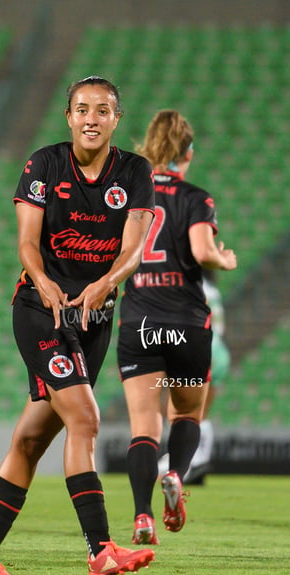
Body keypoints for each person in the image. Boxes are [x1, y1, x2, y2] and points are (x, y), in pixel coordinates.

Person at [0, 76, 155, 575]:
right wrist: (45, 282)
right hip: (39, 310)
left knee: (29, 440)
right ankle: (101, 550)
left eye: (103, 110)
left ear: (117, 118)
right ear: (68, 117)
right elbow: (27, 242)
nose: (91, 118)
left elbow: (133, 250)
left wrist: (107, 283)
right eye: (82, 109)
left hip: (93, 318)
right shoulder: (43, 165)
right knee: (86, 420)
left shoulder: (135, 171)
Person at [116, 109, 237, 545]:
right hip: (185, 326)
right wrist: (223, 258)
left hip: (140, 325)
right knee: (186, 413)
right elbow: (203, 251)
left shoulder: (128, 194)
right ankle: (175, 475)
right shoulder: (196, 197)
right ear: (187, 153)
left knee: (143, 427)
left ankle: (142, 515)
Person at [182, 268, 232, 484]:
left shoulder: (191, 289)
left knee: (183, 410)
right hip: (219, 350)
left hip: (201, 348)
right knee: (202, 412)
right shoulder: (213, 290)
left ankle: (191, 462)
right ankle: (201, 460)